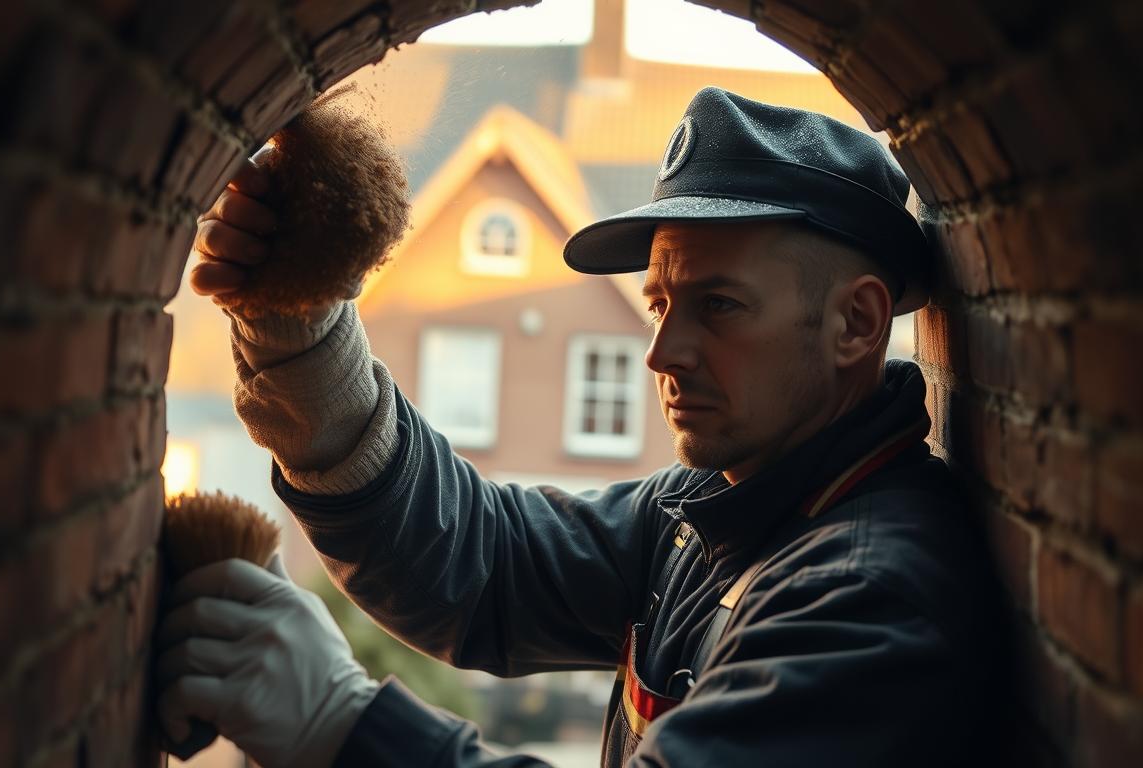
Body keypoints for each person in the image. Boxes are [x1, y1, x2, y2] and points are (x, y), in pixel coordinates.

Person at [154, 87, 1001, 767]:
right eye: (660, 304)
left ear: (857, 323)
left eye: (719, 306)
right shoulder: (715, 507)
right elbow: (480, 564)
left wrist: (340, 723)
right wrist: (299, 327)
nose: (661, 353)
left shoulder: (867, 600)